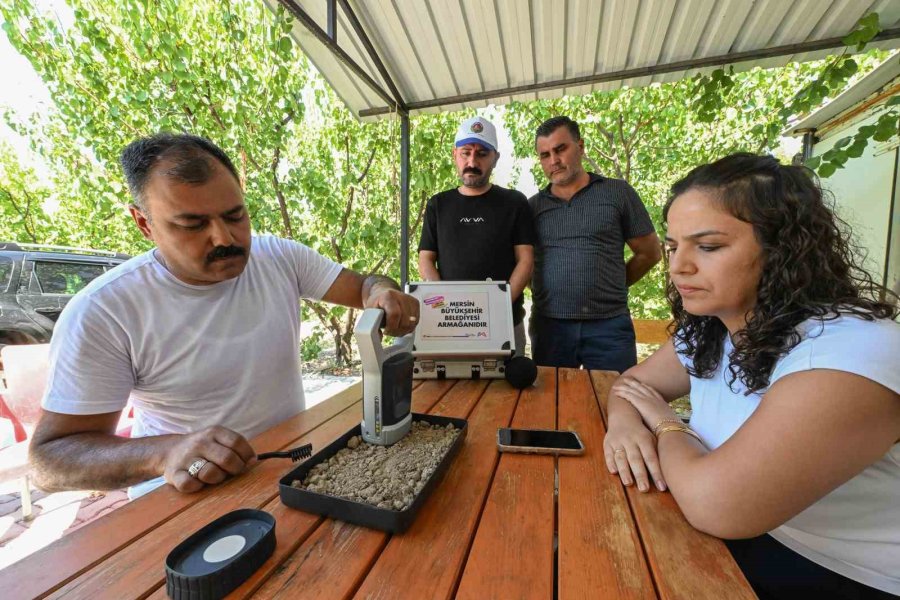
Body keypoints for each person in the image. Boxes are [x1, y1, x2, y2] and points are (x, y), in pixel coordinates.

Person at [29, 133, 420, 498]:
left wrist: (382, 291)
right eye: (192, 224)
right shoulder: (104, 311)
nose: (224, 239)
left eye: (235, 216)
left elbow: (365, 285)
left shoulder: (278, 257)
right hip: (181, 498)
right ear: (144, 223)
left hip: (288, 469)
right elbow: (48, 461)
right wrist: (165, 453)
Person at [604, 153, 900, 598]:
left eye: (707, 247)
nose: (678, 266)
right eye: (672, 246)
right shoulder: (715, 326)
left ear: (781, 248)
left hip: (846, 571)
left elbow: (717, 505)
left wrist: (663, 421)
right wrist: (626, 425)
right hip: (743, 538)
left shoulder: (851, 350)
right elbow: (630, 385)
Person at [529, 116, 661, 373]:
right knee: (549, 408)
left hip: (609, 327)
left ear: (581, 146)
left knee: (613, 404)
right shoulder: (531, 207)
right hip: (550, 327)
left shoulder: (618, 193)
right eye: (545, 155)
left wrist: (611, 284)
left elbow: (649, 253)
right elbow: (524, 262)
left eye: (560, 149)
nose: (553, 161)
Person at [418, 116, 534, 355]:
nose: (472, 161)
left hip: (506, 323)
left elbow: (526, 260)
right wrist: (443, 305)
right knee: (452, 391)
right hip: (449, 326)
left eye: (482, 153)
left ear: (495, 158)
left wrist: (499, 306)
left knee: (509, 392)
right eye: (466, 152)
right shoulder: (438, 205)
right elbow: (426, 259)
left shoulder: (514, 202)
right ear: (455, 155)